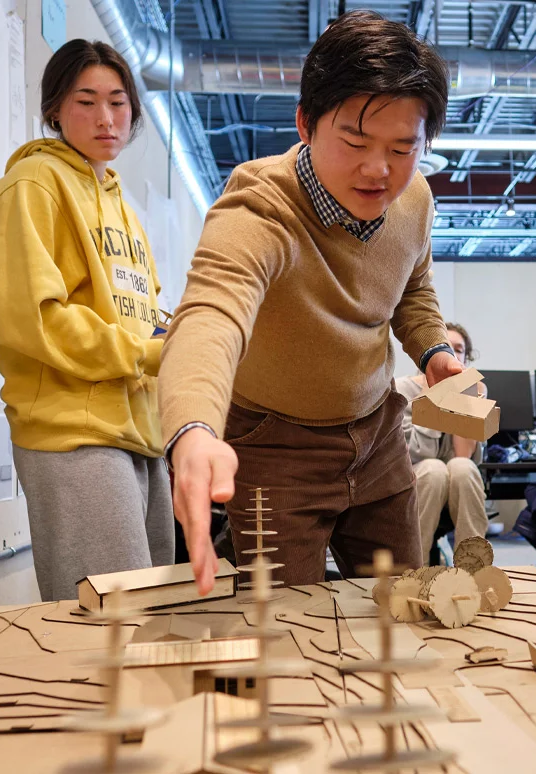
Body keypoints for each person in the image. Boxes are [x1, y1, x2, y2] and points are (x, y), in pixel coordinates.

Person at [159, 12, 457, 593]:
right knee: (286, 630)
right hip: (275, 451)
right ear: (306, 124)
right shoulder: (260, 208)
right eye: (354, 140)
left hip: (376, 439)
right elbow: (211, 316)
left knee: (404, 606)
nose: (379, 169)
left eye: (403, 147)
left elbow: (413, 287)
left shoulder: (414, 198)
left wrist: (434, 351)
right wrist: (193, 428)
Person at [0, 40, 172, 601]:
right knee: (107, 625)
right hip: (74, 431)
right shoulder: (31, 185)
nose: (106, 118)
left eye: (118, 102)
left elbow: (144, 317)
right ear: (55, 110)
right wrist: (153, 352)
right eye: (86, 101)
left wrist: (181, 336)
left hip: (139, 433)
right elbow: (37, 320)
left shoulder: (124, 208)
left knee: (148, 614)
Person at [394, 323, 487, 563]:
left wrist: (466, 406)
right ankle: (415, 569)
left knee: (463, 468)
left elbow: (464, 458)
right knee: (434, 469)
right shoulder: (402, 389)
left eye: (460, 350)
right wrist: (433, 400)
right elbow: (417, 454)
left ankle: (472, 570)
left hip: (457, 485)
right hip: (417, 478)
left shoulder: (469, 389)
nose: (453, 356)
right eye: (447, 348)